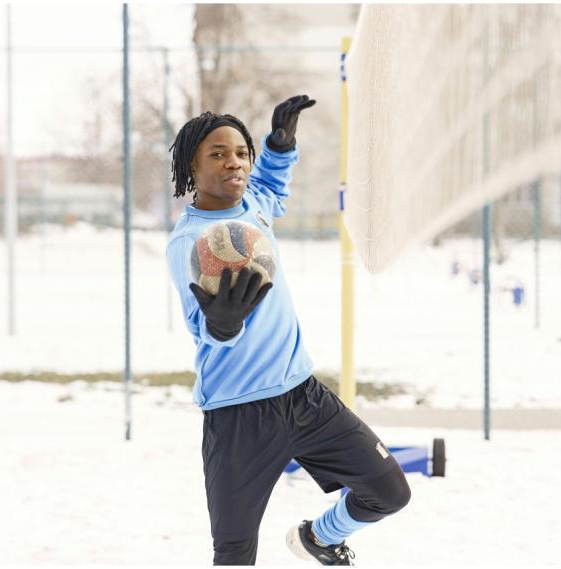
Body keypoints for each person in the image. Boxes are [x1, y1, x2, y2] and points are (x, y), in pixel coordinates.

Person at [165, 95, 411, 566]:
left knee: (388, 492)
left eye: (241, 152)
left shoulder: (252, 203)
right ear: (192, 168)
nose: (234, 162)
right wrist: (224, 324)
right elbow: (205, 329)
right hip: (238, 416)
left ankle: (319, 539)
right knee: (234, 553)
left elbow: (272, 188)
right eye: (217, 154)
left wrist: (279, 145)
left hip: (304, 398)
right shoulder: (189, 243)